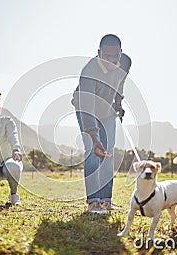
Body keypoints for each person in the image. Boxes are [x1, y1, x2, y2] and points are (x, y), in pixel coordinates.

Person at [71, 34, 132, 214]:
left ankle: (106, 201)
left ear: (121, 53)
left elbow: (120, 84)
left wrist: (118, 105)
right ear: (98, 53)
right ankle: (93, 202)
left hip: (107, 111)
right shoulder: (88, 73)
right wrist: (95, 138)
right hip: (86, 109)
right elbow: (87, 109)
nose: (112, 61)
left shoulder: (126, 62)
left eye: (116, 57)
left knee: (109, 153)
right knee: (93, 151)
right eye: (107, 57)